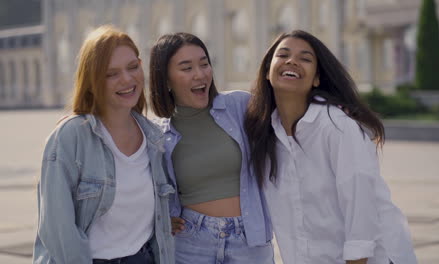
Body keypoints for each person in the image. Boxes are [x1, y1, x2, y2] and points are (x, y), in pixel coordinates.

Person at [244, 30, 418, 264]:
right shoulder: (265, 136)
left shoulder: (336, 126)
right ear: (267, 71)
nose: (292, 61)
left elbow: (360, 207)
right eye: (283, 54)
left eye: (305, 58)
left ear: (316, 79)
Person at [32, 25, 174, 264]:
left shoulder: (154, 138)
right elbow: (58, 230)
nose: (127, 79)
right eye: (112, 74)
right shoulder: (70, 137)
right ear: (92, 80)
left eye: (132, 67)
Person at [149, 32, 274, 264]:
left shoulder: (240, 106)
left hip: (249, 240)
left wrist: (332, 109)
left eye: (204, 64)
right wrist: (160, 216)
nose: (200, 74)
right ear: (165, 79)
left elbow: (288, 118)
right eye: (186, 68)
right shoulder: (156, 134)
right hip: (189, 242)